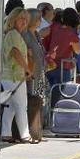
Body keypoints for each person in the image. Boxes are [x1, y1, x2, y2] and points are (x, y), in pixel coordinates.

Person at [0, 8, 32, 144]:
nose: (24, 21)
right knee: (21, 105)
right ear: (13, 20)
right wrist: (27, 68)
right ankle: (25, 135)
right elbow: (15, 52)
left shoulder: (12, 34)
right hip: (15, 76)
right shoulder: (14, 35)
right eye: (20, 18)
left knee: (10, 106)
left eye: (25, 19)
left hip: (8, 76)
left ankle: (6, 133)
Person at [22, 9, 47, 143]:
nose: (39, 22)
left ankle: (38, 130)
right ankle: (32, 131)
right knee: (31, 101)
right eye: (38, 19)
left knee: (39, 101)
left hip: (40, 73)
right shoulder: (26, 35)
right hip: (31, 73)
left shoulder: (36, 34)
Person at [46, 8, 80, 87]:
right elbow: (78, 50)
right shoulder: (71, 34)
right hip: (62, 67)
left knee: (50, 94)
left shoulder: (55, 29)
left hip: (49, 66)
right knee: (62, 94)